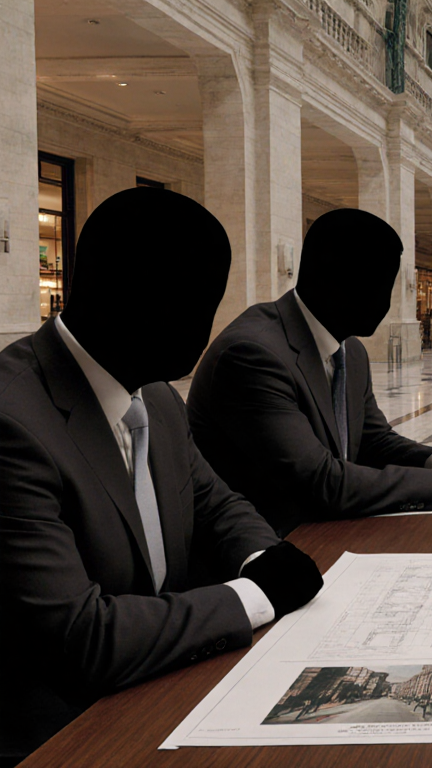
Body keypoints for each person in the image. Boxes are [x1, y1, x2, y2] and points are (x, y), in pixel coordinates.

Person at [0, 188, 324, 764]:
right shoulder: (13, 421)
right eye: (195, 301)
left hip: (163, 688)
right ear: (131, 295)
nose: (206, 325)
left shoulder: (156, 397)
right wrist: (252, 596)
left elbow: (213, 502)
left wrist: (262, 554)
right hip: (61, 734)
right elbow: (83, 639)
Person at [188, 209, 432, 536]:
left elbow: (373, 440)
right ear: (331, 277)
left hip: (329, 529)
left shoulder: (350, 351)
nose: (384, 300)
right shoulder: (252, 355)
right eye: (375, 282)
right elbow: (319, 481)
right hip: (272, 547)